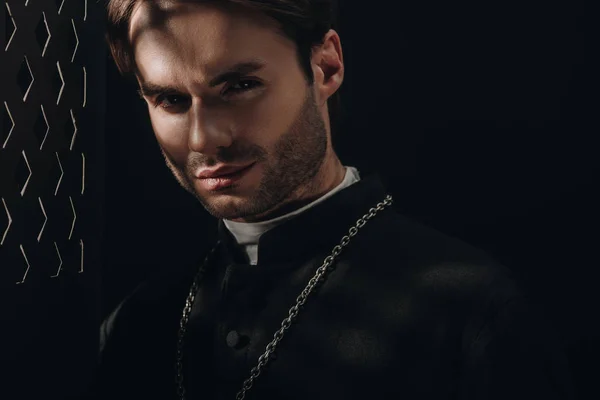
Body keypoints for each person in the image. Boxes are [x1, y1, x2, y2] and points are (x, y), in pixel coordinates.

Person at [92, 1, 575, 399]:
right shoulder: (136, 327)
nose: (205, 138)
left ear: (326, 67)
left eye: (239, 86)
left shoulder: (472, 315)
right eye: (171, 101)